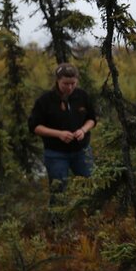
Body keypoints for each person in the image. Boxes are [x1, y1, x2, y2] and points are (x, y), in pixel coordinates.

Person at [28, 63, 97, 207]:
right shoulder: (45, 101)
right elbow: (35, 127)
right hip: (55, 154)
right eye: (66, 84)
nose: (69, 87)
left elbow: (92, 119)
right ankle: (57, 225)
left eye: (73, 83)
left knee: (90, 186)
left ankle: (92, 221)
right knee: (59, 190)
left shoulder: (82, 96)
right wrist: (59, 134)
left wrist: (83, 130)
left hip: (82, 152)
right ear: (57, 81)